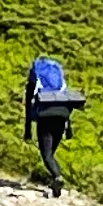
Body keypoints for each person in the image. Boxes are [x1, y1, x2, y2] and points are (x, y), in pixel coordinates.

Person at [23, 53, 82, 189]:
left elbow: (27, 107)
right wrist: (69, 129)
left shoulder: (33, 83)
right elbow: (65, 100)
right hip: (62, 116)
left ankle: (57, 177)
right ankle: (55, 185)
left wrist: (27, 130)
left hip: (45, 117)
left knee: (47, 155)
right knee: (51, 154)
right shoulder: (59, 83)